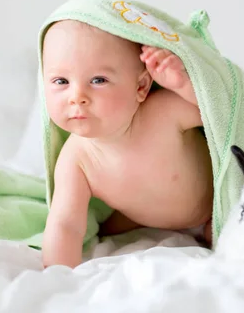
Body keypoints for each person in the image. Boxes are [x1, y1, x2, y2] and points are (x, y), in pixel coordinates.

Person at [41, 19, 214, 268]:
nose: (77, 97)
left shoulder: (164, 112)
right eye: (61, 81)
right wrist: (58, 275)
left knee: (232, 233)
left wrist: (183, 84)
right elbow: (65, 224)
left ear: (141, 86)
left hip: (207, 210)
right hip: (138, 217)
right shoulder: (76, 158)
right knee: (103, 230)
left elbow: (221, 113)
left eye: (98, 80)